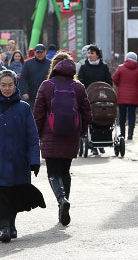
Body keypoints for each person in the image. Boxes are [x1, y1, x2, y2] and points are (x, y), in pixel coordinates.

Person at [0, 70, 44, 243]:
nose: (7, 88)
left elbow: (32, 137)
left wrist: (34, 160)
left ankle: (11, 223)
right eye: (3, 85)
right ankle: (4, 226)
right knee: (0, 193)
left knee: (15, 194)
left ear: (15, 85)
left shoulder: (24, 108)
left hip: (19, 159)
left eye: (10, 85)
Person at [33, 53, 92, 226]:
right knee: (65, 171)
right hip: (71, 135)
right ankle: (64, 203)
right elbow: (87, 113)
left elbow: (38, 113)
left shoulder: (46, 85)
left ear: (54, 67)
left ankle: (61, 200)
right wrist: (82, 131)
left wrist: (36, 134)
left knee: (53, 172)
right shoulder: (78, 87)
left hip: (50, 134)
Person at [78, 44, 112, 154]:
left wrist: (106, 91)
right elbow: (80, 82)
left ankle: (101, 143)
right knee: (90, 120)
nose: (89, 55)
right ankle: (92, 146)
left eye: (92, 53)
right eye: (88, 53)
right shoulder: (84, 67)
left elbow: (109, 81)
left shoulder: (104, 67)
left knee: (102, 117)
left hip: (102, 97)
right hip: (88, 97)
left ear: (97, 55)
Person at [112, 51, 138, 141]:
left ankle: (122, 134)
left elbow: (115, 79)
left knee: (122, 115)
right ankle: (130, 135)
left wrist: (120, 85)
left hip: (122, 96)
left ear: (126, 58)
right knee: (132, 115)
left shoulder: (120, 68)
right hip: (134, 96)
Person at [19, 44, 51, 108]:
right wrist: (24, 92)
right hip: (31, 96)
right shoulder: (28, 63)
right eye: (37, 52)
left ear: (45, 52)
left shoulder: (50, 63)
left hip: (46, 96)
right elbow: (23, 78)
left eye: (41, 52)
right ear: (34, 53)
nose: (39, 54)